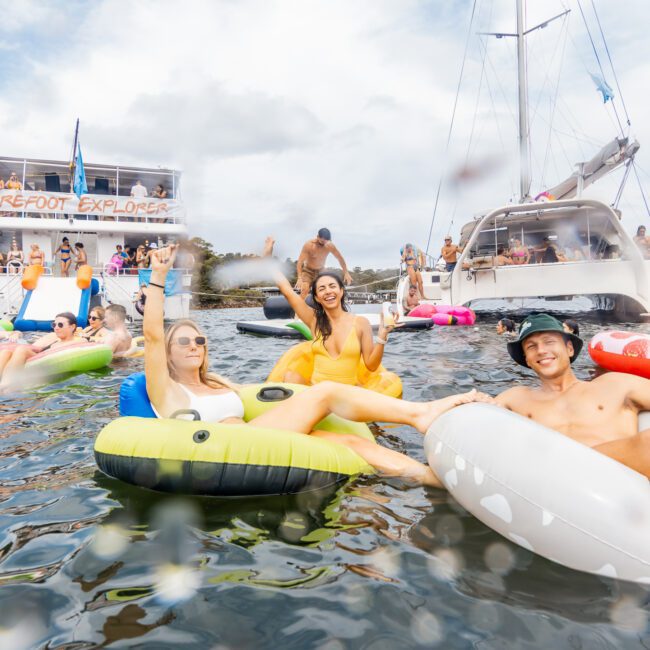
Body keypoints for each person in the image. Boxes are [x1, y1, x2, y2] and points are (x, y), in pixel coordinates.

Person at [142, 244, 493, 486]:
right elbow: (154, 337)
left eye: (200, 340)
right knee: (324, 392)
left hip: (265, 429)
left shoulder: (215, 382)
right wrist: (158, 277)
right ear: (168, 354)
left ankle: (436, 482)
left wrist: (383, 333)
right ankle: (421, 413)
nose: (194, 346)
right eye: (184, 342)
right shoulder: (168, 389)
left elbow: (255, 396)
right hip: (234, 446)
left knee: (354, 445)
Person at [496, 313, 650, 479]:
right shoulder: (517, 397)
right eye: (531, 347)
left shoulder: (615, 384)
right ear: (527, 360)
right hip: (557, 483)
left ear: (569, 349)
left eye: (549, 342)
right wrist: (464, 400)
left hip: (618, 480)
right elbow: (475, 416)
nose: (541, 350)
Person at [270, 236, 396, 386]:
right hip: (318, 394)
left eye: (332, 286)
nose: (328, 291)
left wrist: (382, 336)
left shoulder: (361, 323)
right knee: (290, 376)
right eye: (322, 289)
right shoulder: (314, 320)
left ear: (341, 291)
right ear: (316, 297)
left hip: (345, 397)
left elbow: (371, 365)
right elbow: (287, 291)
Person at [0, 312, 83, 390]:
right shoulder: (52, 337)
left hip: (47, 362)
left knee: (21, 350)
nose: (56, 328)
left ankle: (4, 384)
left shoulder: (78, 341)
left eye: (60, 325)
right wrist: (16, 334)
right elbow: (33, 347)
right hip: (37, 357)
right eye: (54, 325)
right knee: (6, 352)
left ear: (72, 327)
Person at [295, 228, 352, 299]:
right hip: (308, 271)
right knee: (304, 290)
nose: (324, 244)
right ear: (317, 237)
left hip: (321, 271)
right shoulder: (309, 245)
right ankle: (299, 309)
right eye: (322, 241)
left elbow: (340, 258)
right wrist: (299, 278)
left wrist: (346, 272)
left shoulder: (330, 246)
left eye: (326, 241)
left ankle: (323, 308)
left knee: (325, 290)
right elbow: (300, 262)